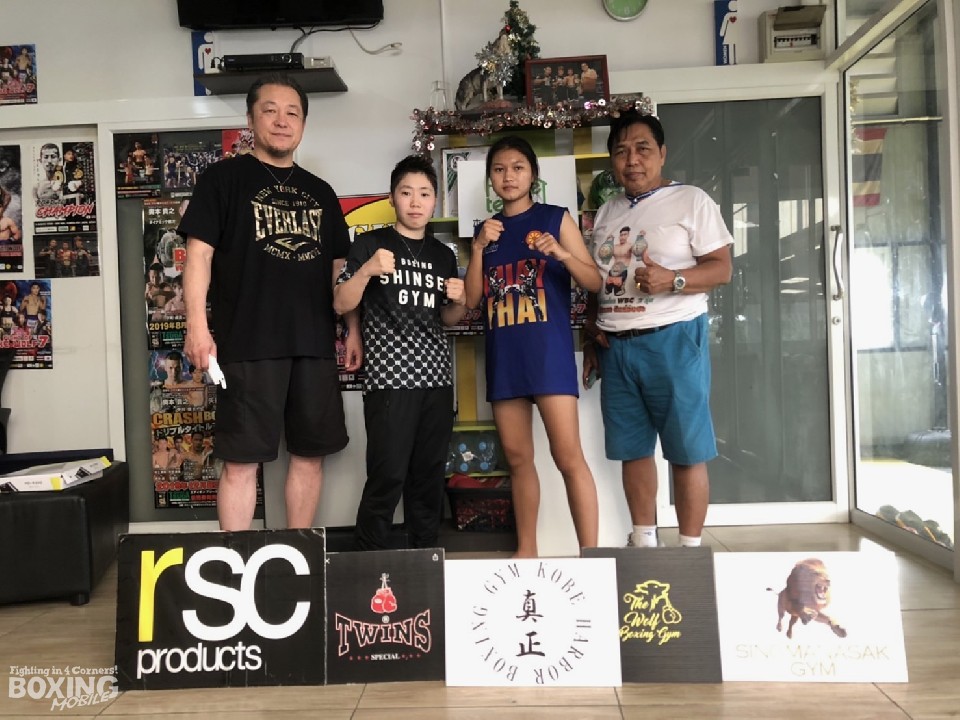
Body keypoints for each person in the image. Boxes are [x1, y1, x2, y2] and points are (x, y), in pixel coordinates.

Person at [179, 73, 361, 532]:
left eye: (292, 113)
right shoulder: (222, 179)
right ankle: (236, 560)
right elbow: (199, 256)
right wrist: (197, 327)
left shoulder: (321, 192)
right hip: (247, 343)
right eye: (270, 111)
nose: (282, 121)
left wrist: (353, 330)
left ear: (303, 124)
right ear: (250, 119)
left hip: (313, 345)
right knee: (241, 462)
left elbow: (339, 273)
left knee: (310, 456)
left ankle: (298, 553)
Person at [581, 111, 733, 548]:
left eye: (643, 148)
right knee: (632, 450)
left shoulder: (692, 200)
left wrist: (674, 280)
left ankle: (690, 552)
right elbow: (597, 280)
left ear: (662, 153)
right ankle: (645, 544)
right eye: (621, 151)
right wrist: (590, 331)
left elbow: (722, 269)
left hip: (674, 338)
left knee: (687, 451)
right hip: (616, 346)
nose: (632, 160)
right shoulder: (607, 211)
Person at [463, 136, 603, 558]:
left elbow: (594, 281)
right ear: (491, 179)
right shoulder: (487, 231)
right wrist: (477, 247)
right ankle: (527, 551)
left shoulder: (555, 219)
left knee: (568, 457)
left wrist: (560, 253)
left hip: (548, 357)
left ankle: (591, 555)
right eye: (499, 169)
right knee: (519, 460)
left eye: (518, 167)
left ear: (533, 175)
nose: (509, 176)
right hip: (505, 358)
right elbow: (472, 300)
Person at [334, 155, 467, 551]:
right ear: (392, 198)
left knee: (428, 477)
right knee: (387, 475)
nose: (415, 201)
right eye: (406, 192)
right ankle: (367, 559)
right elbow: (341, 302)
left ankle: (426, 558)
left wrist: (460, 301)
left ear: (435, 201)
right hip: (390, 379)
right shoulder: (371, 244)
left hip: (437, 381)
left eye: (424, 194)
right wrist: (366, 270)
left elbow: (448, 319)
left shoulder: (443, 255)